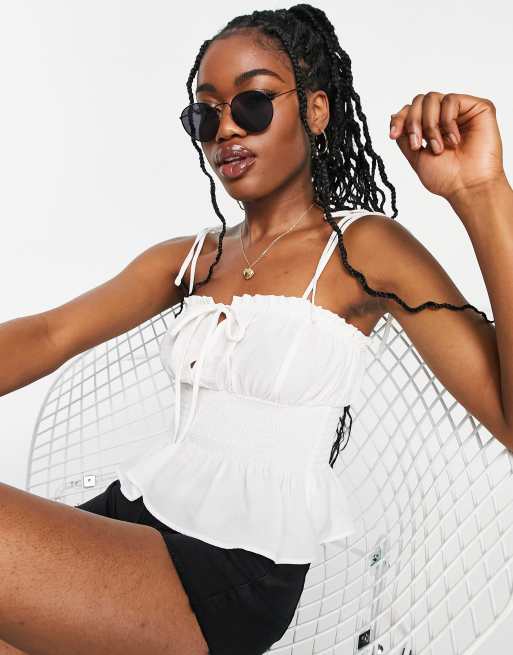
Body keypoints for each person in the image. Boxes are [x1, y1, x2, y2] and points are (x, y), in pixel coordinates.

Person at [1, 4, 512, 655]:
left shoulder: (363, 250)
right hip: (128, 518)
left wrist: (480, 191)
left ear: (316, 110)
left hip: (225, 573)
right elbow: (50, 334)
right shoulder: (193, 258)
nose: (225, 129)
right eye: (204, 114)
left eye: (253, 102)